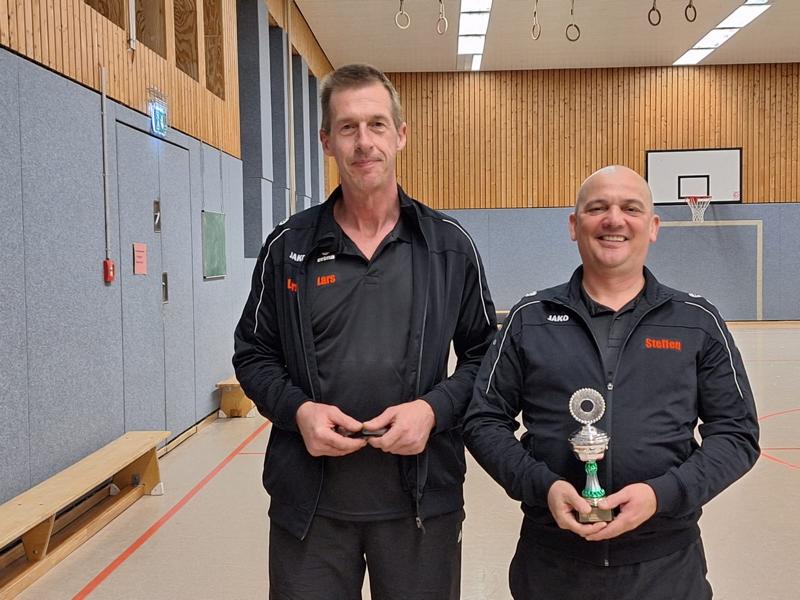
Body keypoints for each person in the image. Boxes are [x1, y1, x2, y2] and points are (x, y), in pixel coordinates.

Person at [233, 63, 496, 599]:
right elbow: (253, 354)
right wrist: (298, 411)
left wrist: (433, 410)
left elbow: (486, 357)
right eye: (348, 127)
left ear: (400, 135)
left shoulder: (448, 246)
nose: (364, 142)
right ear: (327, 141)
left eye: (377, 124)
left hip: (423, 504)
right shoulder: (288, 247)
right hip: (310, 508)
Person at [463, 165, 760, 599]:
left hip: (665, 568)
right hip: (551, 566)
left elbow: (737, 434)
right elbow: (483, 420)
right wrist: (543, 486)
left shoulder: (696, 322)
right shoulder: (530, 319)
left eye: (631, 208)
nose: (614, 219)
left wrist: (663, 495)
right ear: (574, 225)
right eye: (597, 208)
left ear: (653, 227)